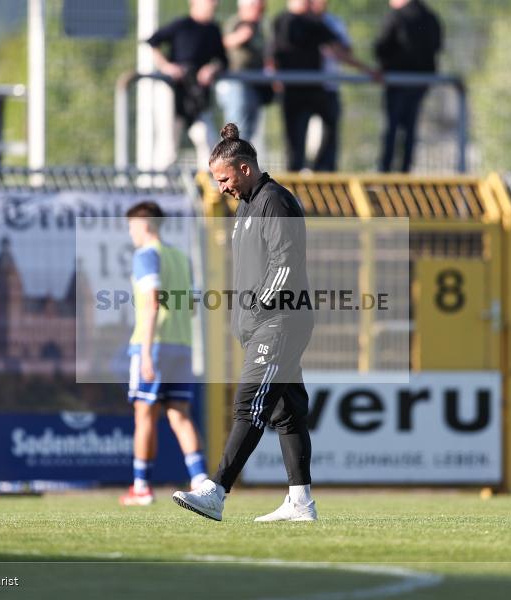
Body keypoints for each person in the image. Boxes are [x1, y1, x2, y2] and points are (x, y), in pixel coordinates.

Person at [173, 123, 315, 522]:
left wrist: (260, 309)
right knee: (286, 413)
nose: (221, 188)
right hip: (263, 325)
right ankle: (300, 503)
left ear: (245, 168)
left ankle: (216, 490)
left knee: (249, 405)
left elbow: (285, 262)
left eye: (224, 179)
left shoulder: (275, 201)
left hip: (280, 320)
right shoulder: (248, 206)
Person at [120, 202, 208, 506]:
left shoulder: (146, 255)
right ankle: (199, 481)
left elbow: (152, 302)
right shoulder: (180, 258)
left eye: (131, 226)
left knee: (144, 414)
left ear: (144, 225)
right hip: (182, 344)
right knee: (180, 415)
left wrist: (145, 352)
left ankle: (141, 487)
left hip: (154, 344)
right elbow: (192, 305)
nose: (130, 233)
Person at [269, 0, 377, 172]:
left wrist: (367, 69)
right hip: (293, 92)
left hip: (314, 90)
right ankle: (294, 184)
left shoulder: (314, 23)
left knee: (328, 131)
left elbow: (338, 50)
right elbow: (272, 54)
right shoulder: (281, 21)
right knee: (295, 145)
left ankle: (322, 174)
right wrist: (275, 79)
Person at [147, 0, 227, 171]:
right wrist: (166, 67)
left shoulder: (213, 30)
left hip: (196, 94)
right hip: (173, 91)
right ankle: (158, 189)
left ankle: (206, 191)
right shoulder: (181, 25)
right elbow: (153, 41)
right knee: (168, 146)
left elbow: (223, 60)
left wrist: (211, 68)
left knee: (207, 138)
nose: (213, 4)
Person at [374, 0, 443, 173]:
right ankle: (405, 171)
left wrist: (386, 65)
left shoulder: (397, 16)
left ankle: (385, 171)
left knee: (392, 128)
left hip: (397, 81)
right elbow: (436, 46)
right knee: (410, 129)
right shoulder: (430, 17)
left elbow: (382, 46)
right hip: (420, 82)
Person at [217, 0, 268, 146]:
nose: (260, 10)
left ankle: (241, 159)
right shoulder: (236, 23)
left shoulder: (258, 27)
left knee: (249, 130)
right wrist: (239, 36)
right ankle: (230, 161)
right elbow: (222, 43)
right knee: (236, 128)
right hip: (235, 82)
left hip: (253, 82)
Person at [308, 0, 350, 172]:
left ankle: (325, 173)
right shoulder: (302, 22)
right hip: (306, 89)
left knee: (329, 137)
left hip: (329, 88)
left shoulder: (333, 23)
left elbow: (345, 51)